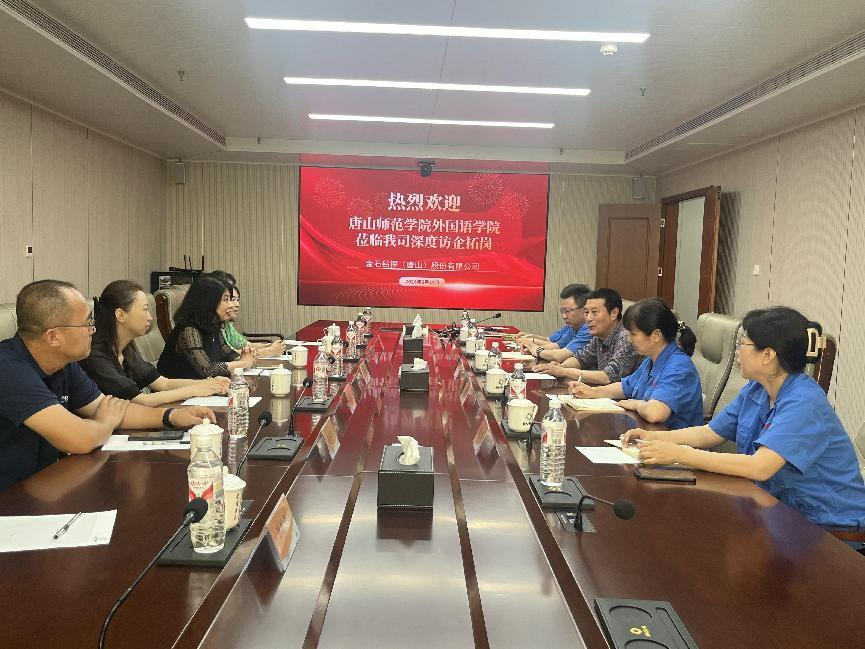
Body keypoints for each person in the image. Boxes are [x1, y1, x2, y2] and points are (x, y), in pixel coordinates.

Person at [622, 307, 865, 529]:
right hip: (773, 509)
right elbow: (710, 433)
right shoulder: (757, 389)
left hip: (824, 525)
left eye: (743, 344)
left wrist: (681, 454)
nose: (737, 352)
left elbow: (760, 467)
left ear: (767, 355)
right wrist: (653, 437)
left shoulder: (805, 401)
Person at [0, 280, 215, 490]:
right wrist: (106, 422)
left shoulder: (64, 363)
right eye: (87, 323)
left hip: (43, 484)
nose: (93, 330)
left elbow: (108, 407)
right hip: (11, 498)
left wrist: (171, 416)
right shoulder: (8, 369)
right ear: (53, 337)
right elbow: (80, 438)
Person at [80, 280, 230, 406]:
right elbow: (141, 400)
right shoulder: (95, 355)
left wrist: (209, 384)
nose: (150, 317)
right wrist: (196, 390)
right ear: (120, 315)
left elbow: (163, 383)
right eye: (145, 310)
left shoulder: (125, 350)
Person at [568, 298, 703, 429]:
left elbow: (655, 413)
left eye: (633, 334)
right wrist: (591, 391)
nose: (629, 339)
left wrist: (635, 404)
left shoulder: (679, 367)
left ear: (656, 335)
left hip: (672, 441)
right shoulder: (651, 360)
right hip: (647, 434)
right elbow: (625, 386)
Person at [534, 288, 642, 384]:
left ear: (614, 313)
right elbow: (580, 359)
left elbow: (608, 377)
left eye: (594, 312)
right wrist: (558, 367)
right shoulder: (598, 337)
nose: (589, 318)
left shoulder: (626, 336)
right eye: (586, 312)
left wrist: (563, 371)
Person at [158, 277, 257, 379]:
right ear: (209, 302)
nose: (231, 305)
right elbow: (207, 369)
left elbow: (228, 355)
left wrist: (246, 355)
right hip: (180, 387)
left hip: (206, 386)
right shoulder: (188, 329)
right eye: (226, 299)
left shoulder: (212, 324)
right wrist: (243, 363)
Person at [208, 271, 284, 358]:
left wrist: (270, 346)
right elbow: (230, 356)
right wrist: (269, 350)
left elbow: (245, 346)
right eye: (228, 298)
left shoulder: (225, 324)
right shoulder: (209, 326)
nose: (235, 304)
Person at [519, 284, 592, 363]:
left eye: (567, 311)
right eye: (562, 311)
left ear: (584, 309)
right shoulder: (574, 327)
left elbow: (560, 356)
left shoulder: (589, 329)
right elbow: (557, 346)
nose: (564, 316)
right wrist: (531, 347)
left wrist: (536, 350)